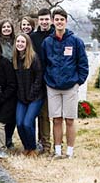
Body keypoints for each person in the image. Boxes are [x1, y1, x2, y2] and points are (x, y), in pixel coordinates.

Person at [42, 8, 88, 159]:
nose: (59, 22)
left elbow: (83, 64)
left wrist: (78, 81)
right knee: (56, 119)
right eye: (57, 19)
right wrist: (47, 80)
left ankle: (69, 152)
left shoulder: (75, 41)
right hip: (53, 86)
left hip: (70, 86)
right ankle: (57, 151)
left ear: (66, 21)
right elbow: (43, 64)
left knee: (69, 119)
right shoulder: (47, 42)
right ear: (53, 22)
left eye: (62, 19)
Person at [13, 33, 44, 158]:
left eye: (23, 42)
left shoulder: (33, 58)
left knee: (27, 123)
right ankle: (27, 147)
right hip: (21, 97)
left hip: (35, 97)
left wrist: (31, 94)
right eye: (18, 42)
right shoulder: (15, 59)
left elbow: (38, 78)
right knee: (19, 123)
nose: (20, 44)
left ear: (27, 44)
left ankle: (33, 148)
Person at [30, 8, 55, 155]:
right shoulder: (33, 37)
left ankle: (46, 145)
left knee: (46, 115)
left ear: (50, 20)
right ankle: (36, 144)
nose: (44, 22)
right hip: (36, 80)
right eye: (42, 19)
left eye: (47, 19)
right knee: (37, 113)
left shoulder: (55, 35)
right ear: (38, 21)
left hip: (52, 79)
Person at [0, 20, 17, 149]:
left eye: (9, 27)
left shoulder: (15, 41)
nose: (7, 29)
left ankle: (9, 138)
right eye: (4, 27)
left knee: (11, 113)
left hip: (15, 77)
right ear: (0, 29)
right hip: (2, 76)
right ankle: (0, 140)